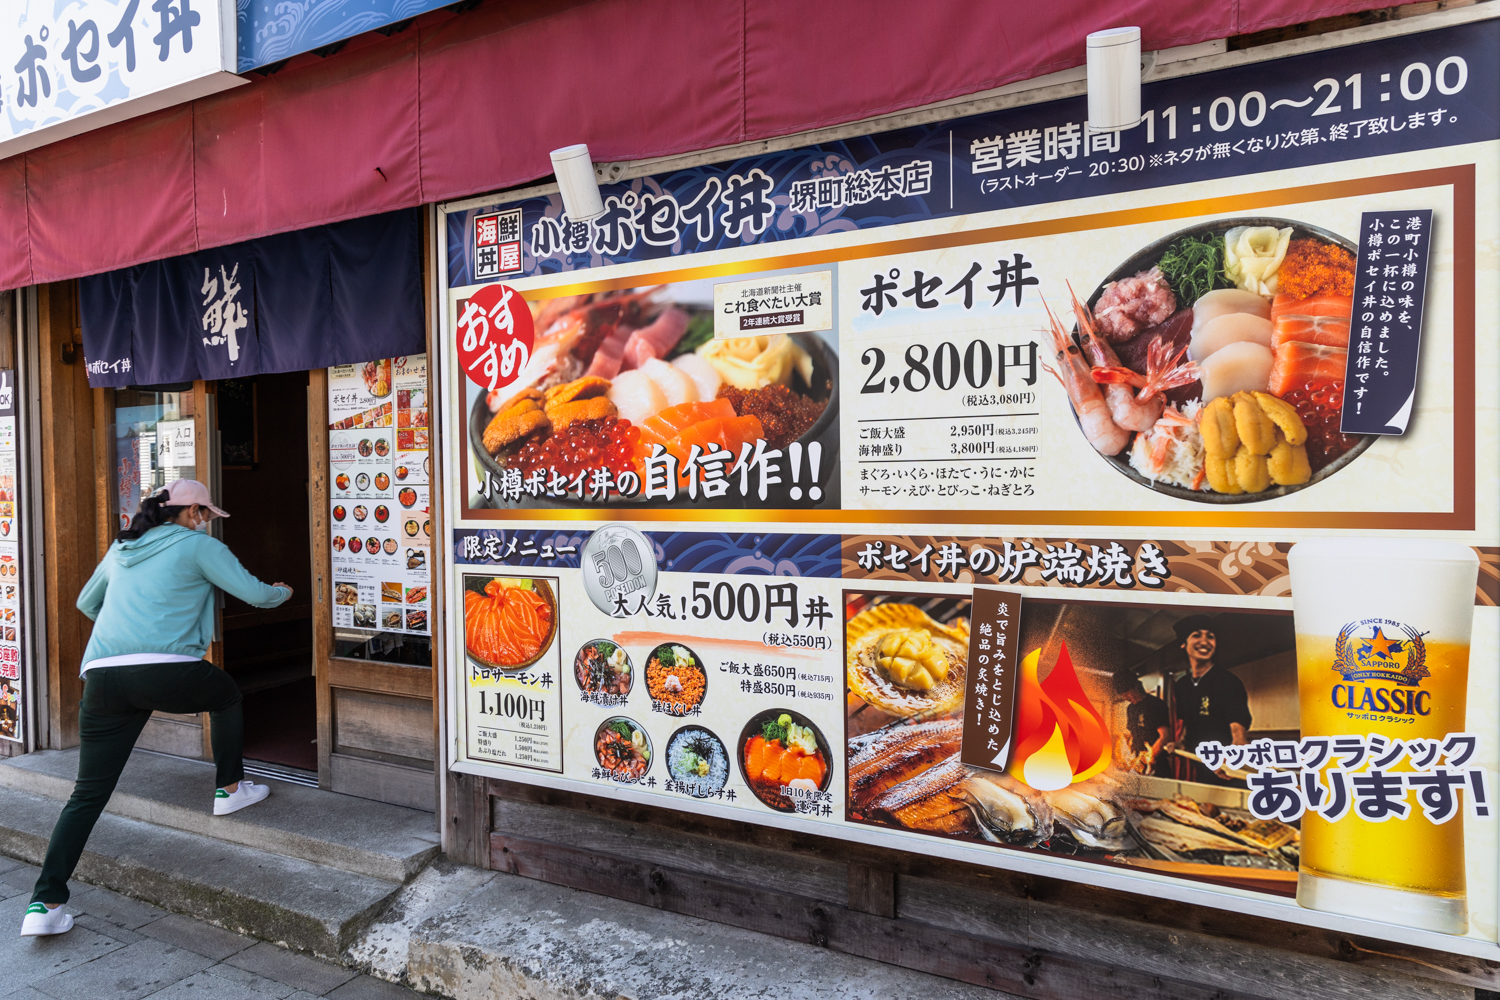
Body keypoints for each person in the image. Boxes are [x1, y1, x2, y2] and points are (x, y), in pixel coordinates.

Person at [20, 480, 291, 937]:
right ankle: (229, 788)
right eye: (204, 513)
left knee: (86, 795)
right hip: (167, 668)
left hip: (104, 675)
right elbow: (258, 595)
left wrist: (130, 626)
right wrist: (283, 591)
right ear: (192, 514)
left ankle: (43, 905)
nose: (205, 522)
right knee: (226, 695)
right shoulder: (198, 547)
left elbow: (87, 602)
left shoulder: (124, 547)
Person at [1167, 614, 1252, 786]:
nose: (1205, 641)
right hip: (1200, 765)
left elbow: (1238, 734)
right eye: (1197, 635)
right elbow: (1187, 727)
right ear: (1183, 644)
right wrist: (1179, 744)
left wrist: (1236, 751)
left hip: (1227, 769)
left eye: (1210, 636)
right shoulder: (1182, 686)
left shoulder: (1228, 681)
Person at [1112, 671, 1170, 776]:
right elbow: (1132, 736)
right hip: (1136, 763)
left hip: (1155, 763)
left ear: (1135, 687)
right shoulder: (1131, 708)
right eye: (1123, 695)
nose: (1125, 698)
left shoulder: (1156, 705)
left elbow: (1164, 736)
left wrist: (1146, 758)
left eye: (1126, 694)